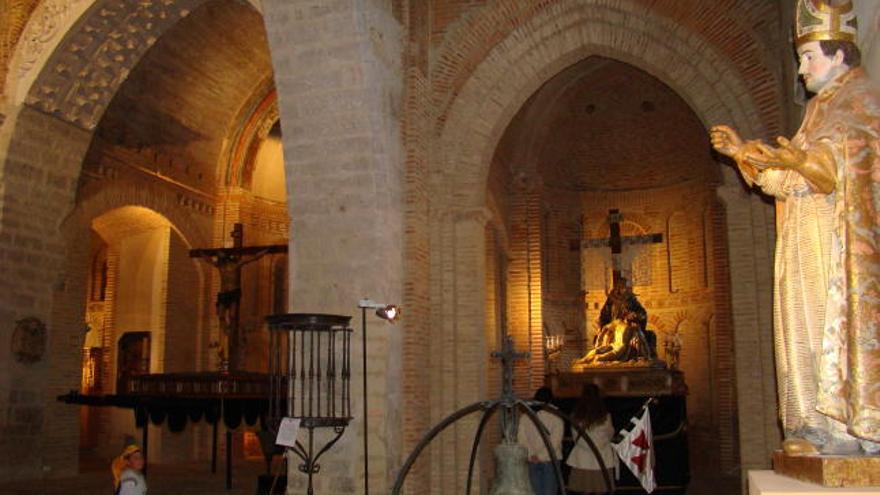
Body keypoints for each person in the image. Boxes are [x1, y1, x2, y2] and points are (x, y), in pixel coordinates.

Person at [710, 0, 879, 454]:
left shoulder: (859, 99)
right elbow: (788, 178)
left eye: (809, 57)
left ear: (839, 53)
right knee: (799, 330)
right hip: (803, 237)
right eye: (801, 58)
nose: (801, 68)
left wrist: (801, 160)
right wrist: (742, 152)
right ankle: (812, 427)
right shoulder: (820, 108)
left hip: (834, 242)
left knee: (829, 326)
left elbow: (844, 166)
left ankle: (845, 429)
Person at [566, 384, 616, 495]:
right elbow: (610, 434)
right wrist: (599, 444)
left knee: (585, 490)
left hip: (582, 458)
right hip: (602, 457)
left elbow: (575, 437)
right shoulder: (605, 416)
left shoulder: (576, 416)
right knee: (601, 490)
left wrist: (586, 446)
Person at [518, 386, 564, 494]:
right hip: (550, 460)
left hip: (532, 460)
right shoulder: (556, 418)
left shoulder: (526, 417)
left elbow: (521, 438)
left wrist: (532, 454)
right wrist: (541, 456)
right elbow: (554, 442)